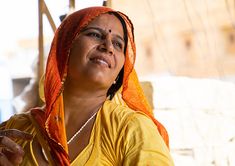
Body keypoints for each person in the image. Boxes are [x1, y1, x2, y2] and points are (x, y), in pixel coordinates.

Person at [0, 6, 174, 165]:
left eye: (118, 44)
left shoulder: (131, 129)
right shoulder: (17, 129)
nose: (108, 46)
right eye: (95, 34)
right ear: (65, 49)